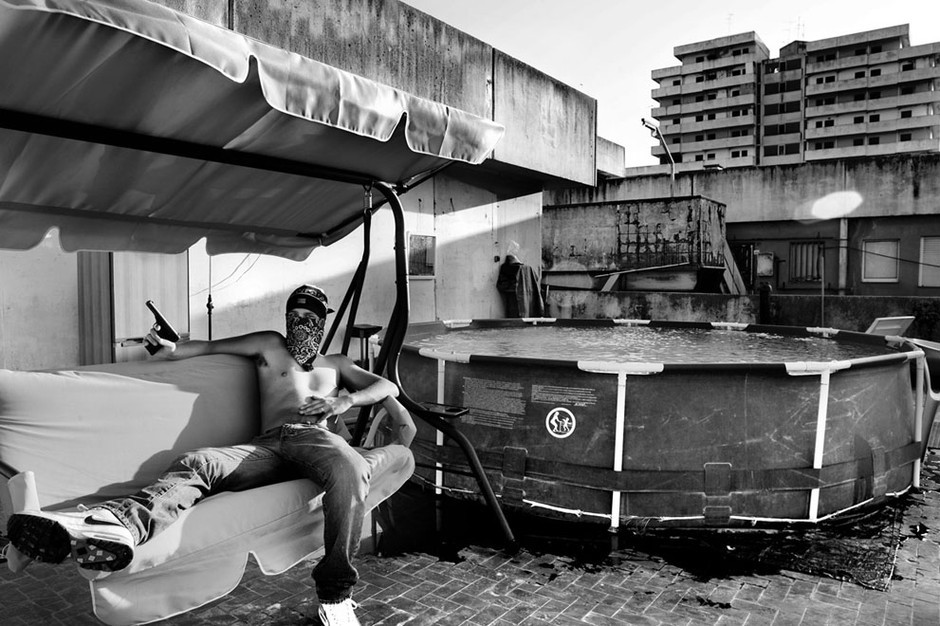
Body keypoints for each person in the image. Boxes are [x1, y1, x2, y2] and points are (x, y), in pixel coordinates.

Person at [6, 285, 415, 626]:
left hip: (316, 440)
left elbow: (387, 387)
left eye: (310, 316)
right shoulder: (270, 345)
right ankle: (116, 526)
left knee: (350, 468)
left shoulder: (335, 364)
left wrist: (345, 401)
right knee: (201, 462)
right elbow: (209, 345)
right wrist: (172, 349)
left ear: (323, 319)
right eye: (295, 314)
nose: (301, 321)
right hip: (269, 444)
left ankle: (336, 593)